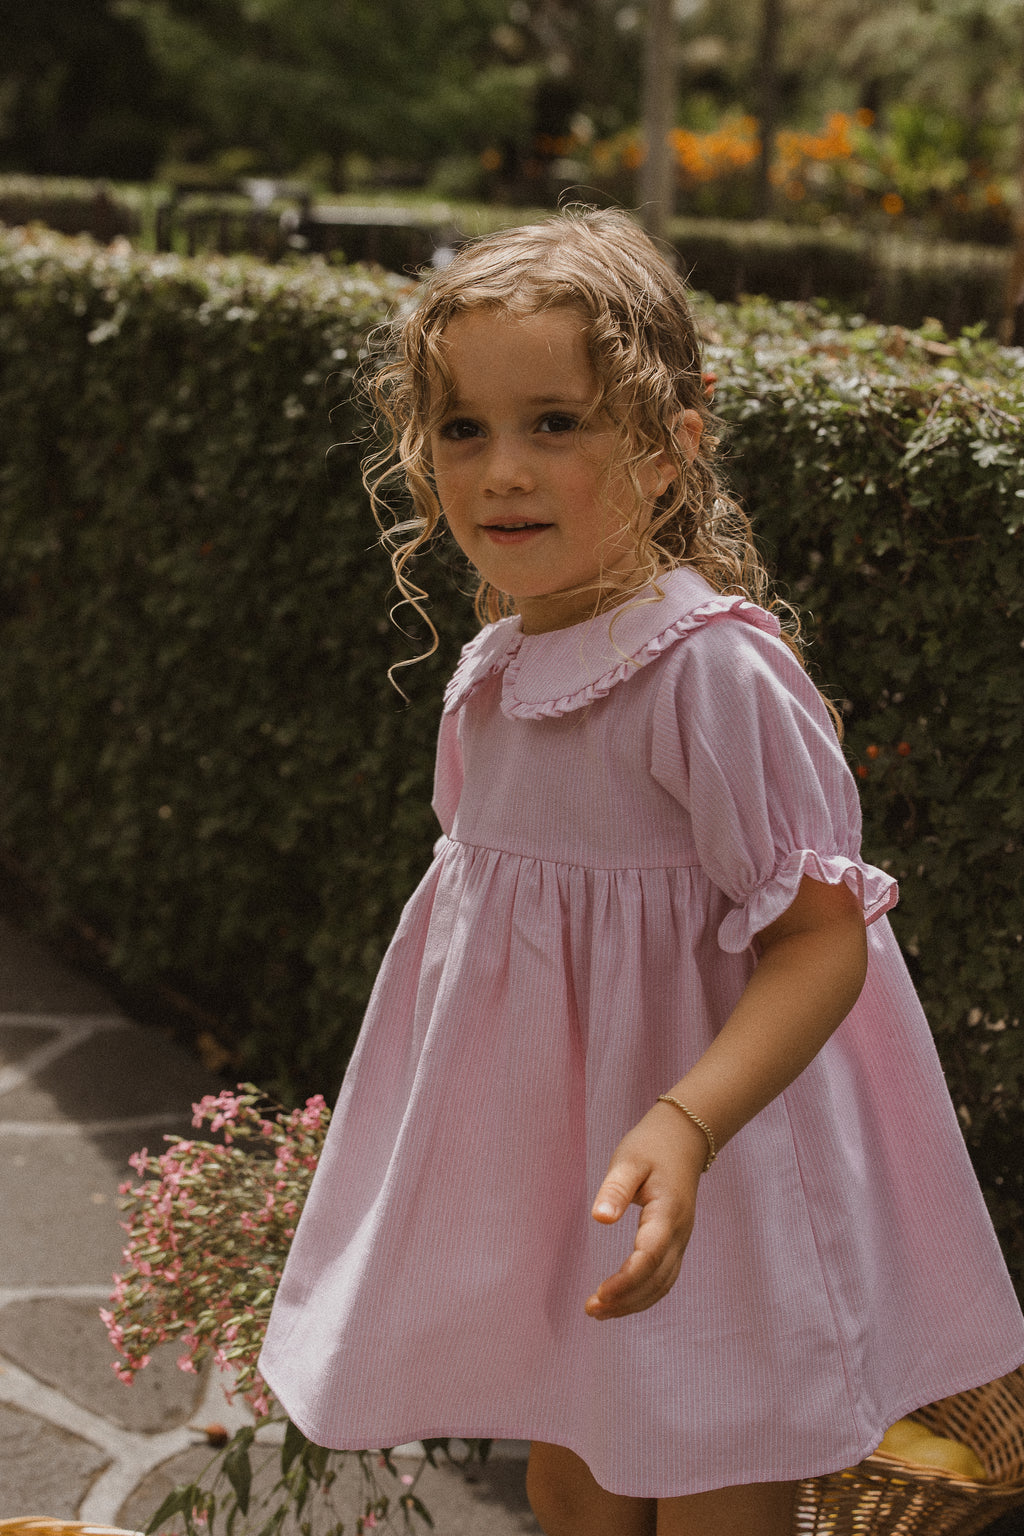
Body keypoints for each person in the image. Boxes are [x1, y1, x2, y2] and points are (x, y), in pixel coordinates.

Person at [259, 209, 1024, 1536]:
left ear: (674, 446)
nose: (502, 470)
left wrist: (685, 1123)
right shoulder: (495, 669)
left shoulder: (710, 675)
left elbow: (821, 938)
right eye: (462, 428)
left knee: (717, 1475)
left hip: (713, 1172)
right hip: (577, 1180)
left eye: (557, 422)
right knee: (572, 1467)